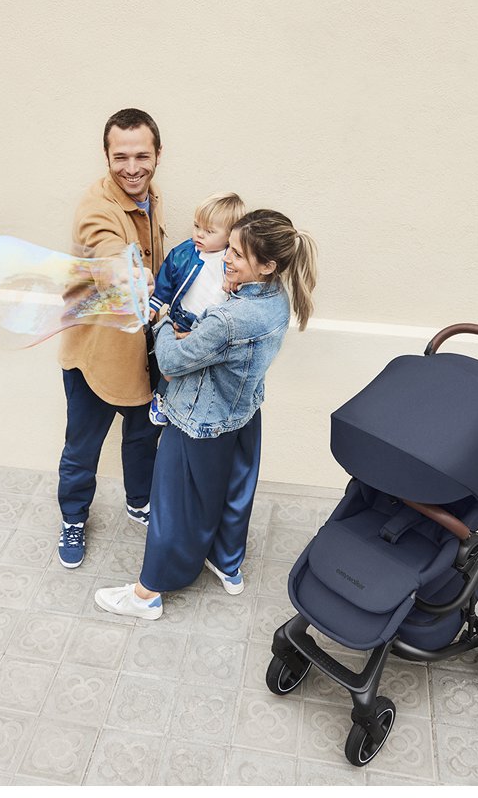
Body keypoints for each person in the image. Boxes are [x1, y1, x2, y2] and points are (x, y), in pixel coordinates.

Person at [94, 209, 318, 619]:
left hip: (197, 422)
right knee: (233, 492)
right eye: (229, 247)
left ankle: (147, 594)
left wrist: (163, 322)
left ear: (267, 265)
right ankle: (227, 565)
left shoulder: (228, 318)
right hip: (242, 414)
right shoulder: (277, 300)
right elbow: (226, 346)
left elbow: (170, 363)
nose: (226, 258)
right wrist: (204, 329)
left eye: (238, 254)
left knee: (173, 505)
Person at [56, 108, 168, 569]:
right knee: (82, 448)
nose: (132, 168)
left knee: (142, 437)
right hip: (95, 358)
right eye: (120, 157)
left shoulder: (151, 195)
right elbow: (107, 248)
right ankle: (73, 518)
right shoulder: (96, 208)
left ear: (158, 155)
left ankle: (139, 501)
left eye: (142, 156)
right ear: (106, 157)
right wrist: (127, 273)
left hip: (140, 353)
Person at [147, 191, 246, 425]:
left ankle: (188, 404)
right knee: (171, 368)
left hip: (211, 325)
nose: (199, 234)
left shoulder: (232, 261)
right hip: (183, 319)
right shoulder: (184, 253)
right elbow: (166, 279)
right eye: (196, 226)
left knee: (197, 370)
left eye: (209, 231)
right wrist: (154, 304)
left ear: (230, 235)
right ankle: (161, 397)